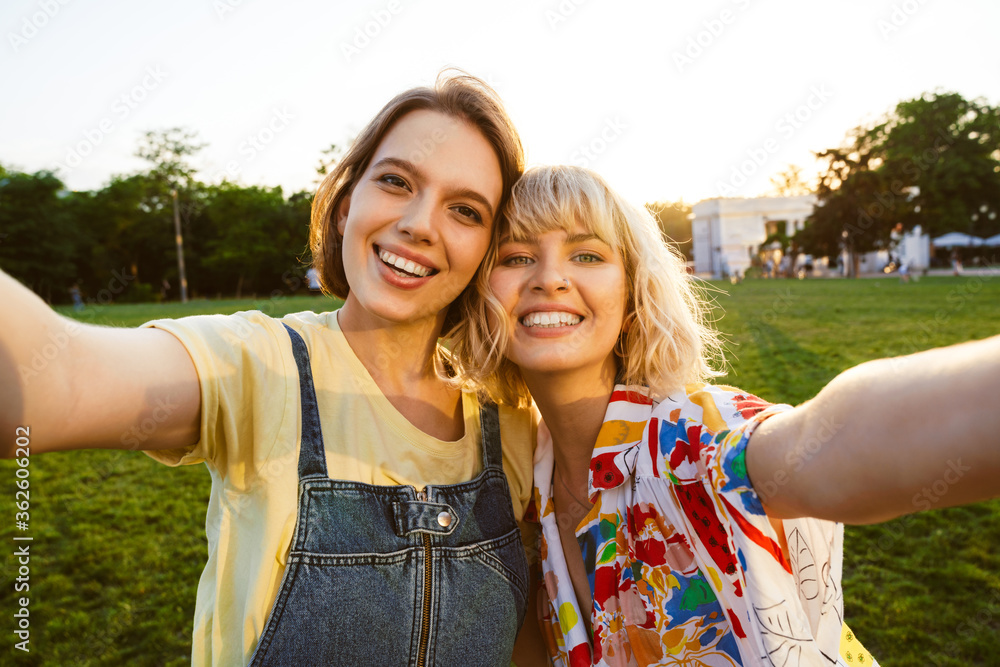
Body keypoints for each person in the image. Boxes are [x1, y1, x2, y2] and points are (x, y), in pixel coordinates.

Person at [1, 74, 537, 666]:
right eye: (395, 181)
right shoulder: (258, 363)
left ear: (489, 249)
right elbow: (51, 381)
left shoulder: (511, 424)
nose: (419, 223)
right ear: (344, 205)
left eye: (465, 210)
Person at [456, 165, 1000, 666]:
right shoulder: (523, 479)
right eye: (516, 257)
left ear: (632, 299)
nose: (550, 278)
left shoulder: (691, 431)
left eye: (588, 255)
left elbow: (829, 438)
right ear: (481, 293)